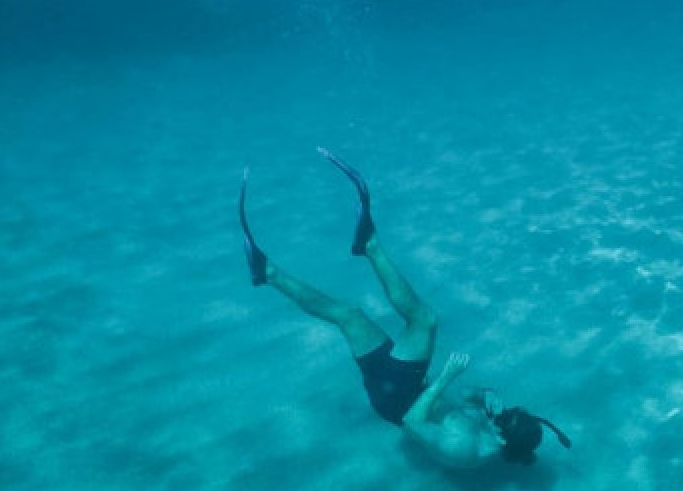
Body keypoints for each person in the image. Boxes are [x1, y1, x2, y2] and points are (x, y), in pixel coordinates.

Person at [238, 148, 571, 469]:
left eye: (505, 417)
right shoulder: (492, 425)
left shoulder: (464, 450)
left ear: (502, 438)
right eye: (509, 412)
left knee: (424, 320)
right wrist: (487, 394)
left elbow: (412, 425)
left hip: (400, 400)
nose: (501, 413)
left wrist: (442, 380)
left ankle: (370, 245)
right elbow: (465, 398)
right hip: (407, 388)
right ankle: (267, 272)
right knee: (349, 314)